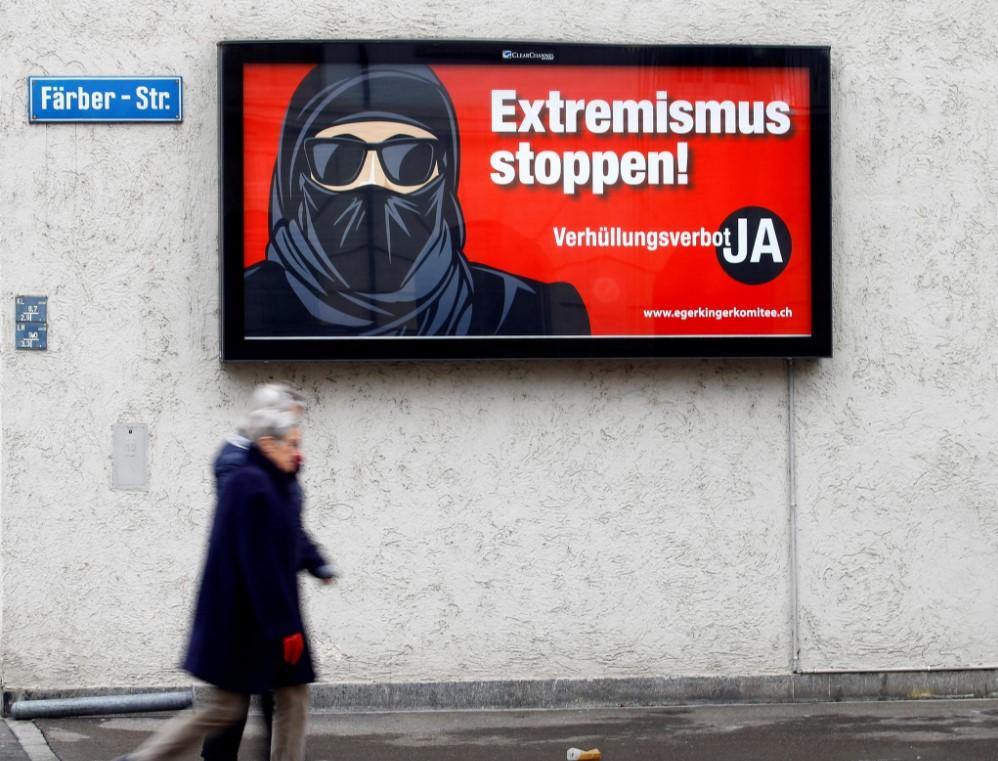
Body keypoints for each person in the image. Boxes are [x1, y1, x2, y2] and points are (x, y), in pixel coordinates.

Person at [245, 63, 591, 338]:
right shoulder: (252, 302)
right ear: (295, 178)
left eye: (409, 160)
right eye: (339, 159)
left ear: (445, 177)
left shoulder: (522, 309)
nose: (373, 182)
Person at [114, 403, 332, 761]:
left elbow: (290, 535)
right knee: (231, 707)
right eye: (291, 443)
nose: (299, 452)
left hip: (261, 616)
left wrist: (316, 562)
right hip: (249, 618)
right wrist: (284, 626)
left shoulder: (276, 482)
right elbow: (257, 561)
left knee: (276, 699)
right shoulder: (249, 482)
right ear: (267, 444)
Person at [203, 384, 333, 761]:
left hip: (269, 591)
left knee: (272, 690)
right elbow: (257, 531)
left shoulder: (277, 456)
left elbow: (287, 525)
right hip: (251, 597)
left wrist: (314, 559)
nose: (296, 426)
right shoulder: (240, 461)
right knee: (236, 697)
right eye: (291, 415)